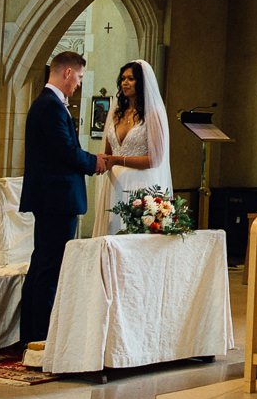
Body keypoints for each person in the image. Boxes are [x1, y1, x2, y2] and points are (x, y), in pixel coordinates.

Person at [17, 51, 110, 350]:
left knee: (42, 263)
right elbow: (66, 151)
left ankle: (32, 334)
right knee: (49, 267)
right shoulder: (50, 107)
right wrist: (94, 162)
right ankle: (40, 337)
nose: (78, 85)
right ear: (68, 73)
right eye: (80, 78)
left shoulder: (48, 105)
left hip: (51, 198)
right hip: (56, 199)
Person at [102, 60, 172, 215]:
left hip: (139, 186)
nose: (125, 83)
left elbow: (155, 159)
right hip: (114, 184)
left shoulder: (153, 115)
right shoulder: (116, 113)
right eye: (123, 79)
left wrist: (118, 160)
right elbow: (109, 152)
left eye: (131, 79)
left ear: (141, 82)